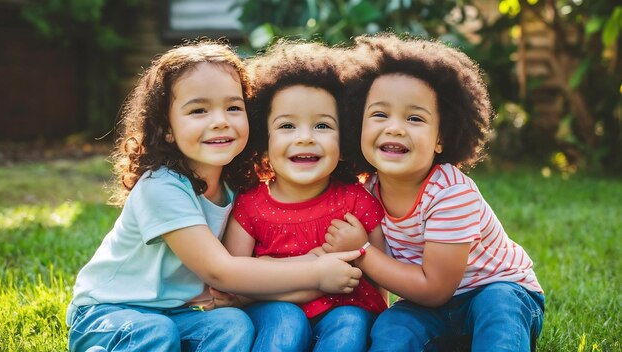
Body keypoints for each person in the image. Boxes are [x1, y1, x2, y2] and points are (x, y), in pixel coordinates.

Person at [65, 39, 364, 352]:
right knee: (155, 332)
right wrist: (314, 270)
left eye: (233, 107)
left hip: (178, 314)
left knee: (231, 325)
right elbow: (220, 270)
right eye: (199, 110)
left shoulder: (237, 185)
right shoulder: (162, 187)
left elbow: (235, 281)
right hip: (108, 313)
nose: (220, 120)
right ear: (167, 127)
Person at [322, 34, 545, 352]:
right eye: (380, 115)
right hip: (429, 308)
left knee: (499, 309)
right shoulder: (366, 190)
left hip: (496, 289)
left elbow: (435, 288)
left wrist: (362, 252)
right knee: (391, 328)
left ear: (441, 138)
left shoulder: (450, 194)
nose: (395, 128)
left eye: (414, 118)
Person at [221, 40, 388, 352]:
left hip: (345, 312)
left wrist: (271, 269)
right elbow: (235, 287)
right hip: (273, 311)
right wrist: (312, 277)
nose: (305, 138)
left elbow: (380, 285)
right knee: (286, 321)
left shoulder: (357, 203)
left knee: (351, 320)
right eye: (287, 125)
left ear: (346, 138)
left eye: (322, 125)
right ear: (263, 138)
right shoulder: (251, 204)